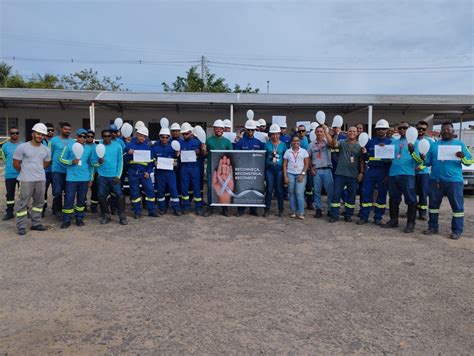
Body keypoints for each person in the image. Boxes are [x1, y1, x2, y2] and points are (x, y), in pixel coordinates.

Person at [423, 122, 473, 240]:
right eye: (444, 129)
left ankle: (456, 230)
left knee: (457, 207)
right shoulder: (434, 145)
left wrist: (462, 157)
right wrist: (423, 159)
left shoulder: (460, 144)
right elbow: (428, 162)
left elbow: (469, 161)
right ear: (440, 131)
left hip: (454, 181)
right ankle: (433, 227)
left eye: (448, 129)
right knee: (433, 205)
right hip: (436, 180)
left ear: (453, 131)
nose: (446, 131)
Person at [382, 121, 423, 233]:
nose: (402, 130)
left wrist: (412, 152)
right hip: (393, 174)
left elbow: (419, 161)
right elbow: (386, 159)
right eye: (400, 128)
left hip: (408, 174)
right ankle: (393, 220)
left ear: (409, 129)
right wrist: (382, 152)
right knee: (393, 199)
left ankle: (410, 223)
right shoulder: (393, 142)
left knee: (411, 200)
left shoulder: (416, 143)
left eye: (405, 128)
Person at [12, 123, 51, 235]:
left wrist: (36, 170)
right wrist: (26, 171)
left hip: (40, 179)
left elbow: (46, 163)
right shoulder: (22, 147)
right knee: (23, 203)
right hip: (26, 180)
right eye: (38, 134)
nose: (40, 136)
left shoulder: (46, 150)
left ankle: (36, 223)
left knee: (39, 203)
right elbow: (16, 164)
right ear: (33, 133)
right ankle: (21, 226)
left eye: (42, 135)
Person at [325, 126, 365, 223]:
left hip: (353, 175)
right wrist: (336, 135)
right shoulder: (342, 142)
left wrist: (361, 172)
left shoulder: (361, 145)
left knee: (351, 196)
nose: (352, 132)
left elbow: (362, 160)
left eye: (354, 131)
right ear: (347, 133)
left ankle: (348, 215)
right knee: (336, 195)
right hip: (340, 174)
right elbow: (333, 144)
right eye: (350, 131)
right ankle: (334, 215)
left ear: (357, 133)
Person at [358, 119, 392, 225]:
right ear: (376, 130)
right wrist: (364, 153)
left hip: (384, 171)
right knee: (366, 193)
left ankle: (378, 217)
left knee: (381, 195)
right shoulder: (370, 142)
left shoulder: (391, 143)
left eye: (383, 129)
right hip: (371, 170)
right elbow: (365, 157)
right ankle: (364, 216)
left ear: (386, 130)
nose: (381, 130)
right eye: (378, 129)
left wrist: (388, 174)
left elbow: (393, 161)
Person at [59, 129, 95, 228]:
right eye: (81, 136)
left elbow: (91, 164)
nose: (83, 139)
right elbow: (61, 159)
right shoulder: (69, 146)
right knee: (69, 199)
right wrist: (71, 162)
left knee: (81, 200)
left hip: (84, 178)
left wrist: (91, 178)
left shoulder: (89, 149)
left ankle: (79, 218)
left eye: (85, 137)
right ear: (77, 136)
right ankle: (67, 220)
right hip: (71, 178)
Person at [124, 126, 158, 219]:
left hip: (144, 173)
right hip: (133, 172)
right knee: (135, 193)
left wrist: (148, 171)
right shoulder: (130, 145)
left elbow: (151, 162)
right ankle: (137, 211)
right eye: (141, 135)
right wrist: (128, 154)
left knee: (150, 191)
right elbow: (124, 160)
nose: (142, 138)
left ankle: (152, 211)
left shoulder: (148, 147)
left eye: (144, 136)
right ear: (137, 134)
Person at [95, 129, 128, 225]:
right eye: (105, 136)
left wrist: (118, 175)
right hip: (102, 176)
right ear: (102, 137)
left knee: (119, 195)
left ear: (111, 136)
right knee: (101, 196)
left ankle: (122, 216)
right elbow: (93, 162)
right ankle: (106, 215)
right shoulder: (98, 146)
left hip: (114, 176)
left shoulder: (117, 146)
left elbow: (120, 161)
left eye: (108, 136)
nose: (107, 138)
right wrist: (98, 162)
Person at [235, 119, 265, 216]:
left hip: (255, 170)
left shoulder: (259, 143)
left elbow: (262, 157)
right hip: (243, 170)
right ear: (245, 130)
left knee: (254, 189)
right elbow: (236, 156)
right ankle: (241, 209)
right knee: (242, 189)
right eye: (249, 130)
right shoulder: (239, 143)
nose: (251, 132)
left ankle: (253, 209)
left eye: (252, 130)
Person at [204, 119, 233, 217]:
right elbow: (204, 155)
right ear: (214, 129)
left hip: (223, 171)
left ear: (223, 129)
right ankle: (210, 208)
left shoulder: (227, 142)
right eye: (217, 128)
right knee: (210, 188)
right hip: (211, 169)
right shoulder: (209, 140)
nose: (219, 130)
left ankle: (224, 209)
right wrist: (203, 150)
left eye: (221, 128)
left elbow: (231, 155)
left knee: (224, 188)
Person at [153, 127, 182, 216]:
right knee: (160, 191)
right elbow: (152, 159)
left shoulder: (173, 147)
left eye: (166, 137)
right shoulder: (155, 148)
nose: (164, 139)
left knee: (173, 190)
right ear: (159, 137)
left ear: (169, 137)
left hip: (170, 173)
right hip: (159, 173)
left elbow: (177, 160)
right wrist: (154, 162)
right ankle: (162, 208)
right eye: (162, 137)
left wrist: (176, 162)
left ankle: (176, 208)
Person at [179, 122, 206, 215]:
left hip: (195, 168)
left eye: (187, 133)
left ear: (191, 133)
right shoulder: (180, 143)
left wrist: (201, 150)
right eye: (183, 134)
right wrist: (177, 153)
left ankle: (198, 207)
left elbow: (204, 156)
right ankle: (186, 206)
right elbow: (177, 157)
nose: (185, 135)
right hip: (184, 168)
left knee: (196, 188)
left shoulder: (198, 142)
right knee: (184, 188)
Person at [308, 126, 333, 218]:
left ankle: (330, 209)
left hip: (327, 169)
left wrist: (327, 133)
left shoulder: (327, 143)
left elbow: (333, 144)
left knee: (330, 191)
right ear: (315, 133)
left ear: (324, 132)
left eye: (321, 131)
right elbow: (309, 157)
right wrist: (311, 168)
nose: (319, 133)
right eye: (317, 131)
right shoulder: (311, 144)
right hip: (316, 170)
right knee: (317, 191)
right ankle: (318, 209)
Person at [49, 122, 72, 219]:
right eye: (65, 129)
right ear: (61, 129)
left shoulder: (73, 142)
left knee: (68, 191)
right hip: (57, 170)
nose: (67, 131)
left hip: (69, 171)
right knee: (57, 191)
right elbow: (49, 155)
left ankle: (66, 210)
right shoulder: (53, 141)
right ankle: (57, 210)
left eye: (69, 129)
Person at [283, 135, 309, 219]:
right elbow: (284, 165)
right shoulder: (288, 152)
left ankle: (301, 212)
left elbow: (306, 164)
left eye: (297, 140)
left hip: (300, 174)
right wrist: (285, 176)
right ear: (291, 142)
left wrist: (302, 174)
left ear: (299, 142)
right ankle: (293, 211)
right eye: (294, 141)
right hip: (290, 173)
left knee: (299, 192)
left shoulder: (304, 151)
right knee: (291, 192)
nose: (296, 142)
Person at [1, 127, 23, 220]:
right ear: (9, 134)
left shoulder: (23, 145)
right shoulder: (5, 146)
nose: (15, 135)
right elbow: (5, 158)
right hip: (10, 174)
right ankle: (9, 212)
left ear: (19, 134)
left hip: (22, 174)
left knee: (23, 194)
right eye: (12, 133)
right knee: (10, 194)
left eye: (17, 133)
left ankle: (24, 211)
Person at [264, 124, 286, 217]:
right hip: (269, 169)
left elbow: (285, 158)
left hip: (279, 169)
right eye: (273, 134)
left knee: (279, 190)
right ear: (270, 135)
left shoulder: (283, 145)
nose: (275, 136)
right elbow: (263, 156)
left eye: (277, 134)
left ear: (279, 134)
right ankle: (267, 209)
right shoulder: (267, 145)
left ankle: (281, 209)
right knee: (269, 189)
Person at [414, 120, 434, 220]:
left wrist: (421, 167)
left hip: (424, 172)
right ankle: (411, 210)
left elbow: (431, 158)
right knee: (411, 193)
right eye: (419, 128)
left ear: (426, 130)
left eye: (423, 129)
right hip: (411, 171)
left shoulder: (430, 141)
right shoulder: (411, 140)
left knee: (423, 193)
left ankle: (422, 213)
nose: (421, 130)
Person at [42, 123, 55, 216]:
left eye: (52, 130)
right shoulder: (40, 141)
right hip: (44, 171)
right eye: (48, 130)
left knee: (56, 191)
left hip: (55, 171)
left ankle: (56, 209)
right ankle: (42, 208)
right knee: (43, 191)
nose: (50, 132)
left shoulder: (56, 141)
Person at [85, 129, 99, 213]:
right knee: (83, 190)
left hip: (95, 171)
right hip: (85, 171)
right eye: (88, 136)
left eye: (92, 137)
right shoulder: (82, 146)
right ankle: (83, 204)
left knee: (95, 189)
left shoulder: (97, 147)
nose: (90, 138)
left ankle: (94, 205)